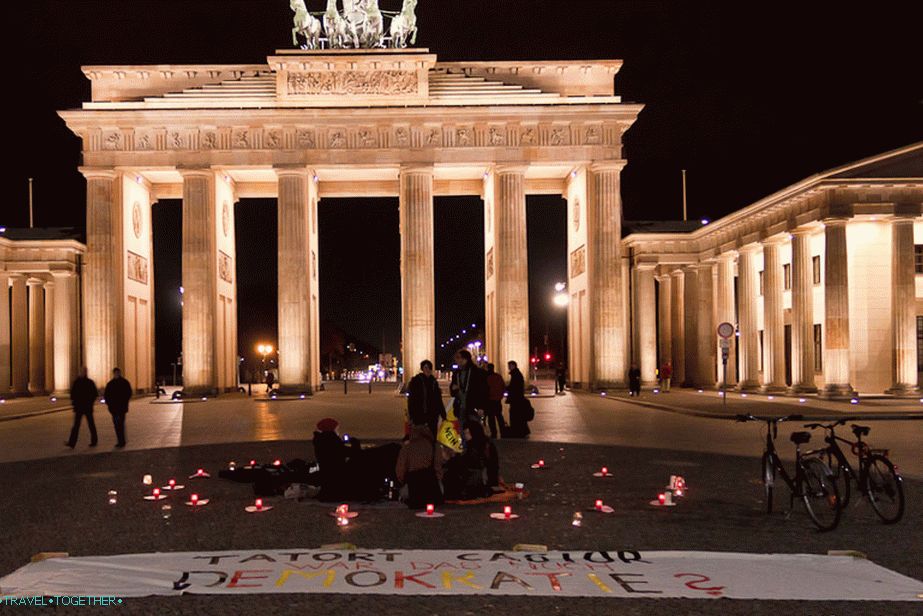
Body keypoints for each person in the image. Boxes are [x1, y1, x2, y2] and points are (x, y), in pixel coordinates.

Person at [442, 420, 500, 500]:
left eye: (467, 433)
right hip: (480, 475)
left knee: (452, 473)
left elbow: (470, 462)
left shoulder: (479, 445)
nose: (465, 436)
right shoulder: (479, 442)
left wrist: (452, 459)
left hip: (479, 478)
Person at [395, 425, 443, 509]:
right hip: (432, 487)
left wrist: (404, 482)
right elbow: (438, 469)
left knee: (403, 492)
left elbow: (400, 471)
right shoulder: (435, 446)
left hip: (414, 488)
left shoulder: (407, 447)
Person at [449, 349, 487, 433]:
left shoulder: (477, 372)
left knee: (475, 431)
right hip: (461, 407)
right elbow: (452, 391)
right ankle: (466, 446)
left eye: (459, 358)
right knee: (463, 433)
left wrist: (481, 407)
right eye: (457, 358)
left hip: (473, 407)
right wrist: (453, 388)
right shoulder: (456, 373)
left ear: (466, 359)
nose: (457, 360)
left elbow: (483, 391)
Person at [407, 360, 444, 438]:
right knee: (420, 438)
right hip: (420, 414)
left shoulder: (434, 381)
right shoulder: (416, 381)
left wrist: (443, 413)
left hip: (433, 415)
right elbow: (411, 399)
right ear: (422, 369)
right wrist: (411, 414)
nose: (428, 369)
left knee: (432, 436)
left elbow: (438, 399)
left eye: (429, 368)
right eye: (426, 367)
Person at [66, 367, 98, 448]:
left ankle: (94, 441)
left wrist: (90, 402)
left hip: (85, 406)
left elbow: (94, 394)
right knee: (77, 426)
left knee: (90, 424)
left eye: (83, 371)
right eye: (81, 371)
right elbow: (73, 394)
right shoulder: (79, 382)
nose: (82, 373)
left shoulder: (87, 382)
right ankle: (72, 442)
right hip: (80, 407)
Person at [104, 368, 133, 448]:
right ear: (114, 374)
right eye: (115, 373)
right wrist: (109, 404)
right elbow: (106, 396)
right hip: (114, 409)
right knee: (117, 425)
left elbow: (128, 393)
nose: (116, 374)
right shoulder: (111, 384)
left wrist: (124, 402)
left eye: (117, 373)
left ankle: (121, 441)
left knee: (120, 424)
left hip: (121, 408)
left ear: (119, 373)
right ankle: (120, 440)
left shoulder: (124, 383)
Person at [504, 360, 532, 437]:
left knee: (516, 416)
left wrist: (506, 388)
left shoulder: (515, 375)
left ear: (513, 366)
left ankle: (518, 432)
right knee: (519, 416)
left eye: (509, 366)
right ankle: (522, 431)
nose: (508, 367)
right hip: (518, 398)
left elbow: (514, 387)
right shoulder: (517, 374)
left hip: (516, 399)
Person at [484, 363, 507, 439]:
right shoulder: (498, 376)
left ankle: (494, 433)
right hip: (497, 400)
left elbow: (484, 390)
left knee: (491, 418)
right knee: (499, 416)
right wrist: (500, 396)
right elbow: (503, 387)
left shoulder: (486, 377)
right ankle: (503, 432)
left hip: (489, 400)